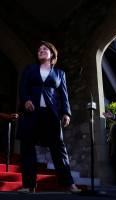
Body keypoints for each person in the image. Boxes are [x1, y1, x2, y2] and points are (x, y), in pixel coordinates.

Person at [17, 41, 81, 193]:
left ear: (52, 53)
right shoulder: (30, 69)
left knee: (59, 147)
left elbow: (64, 96)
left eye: (45, 49)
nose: (41, 50)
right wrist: (26, 100)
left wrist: (66, 113)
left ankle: (70, 184)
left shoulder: (60, 74)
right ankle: (29, 185)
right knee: (27, 146)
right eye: (39, 49)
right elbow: (23, 87)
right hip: (31, 113)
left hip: (51, 115)